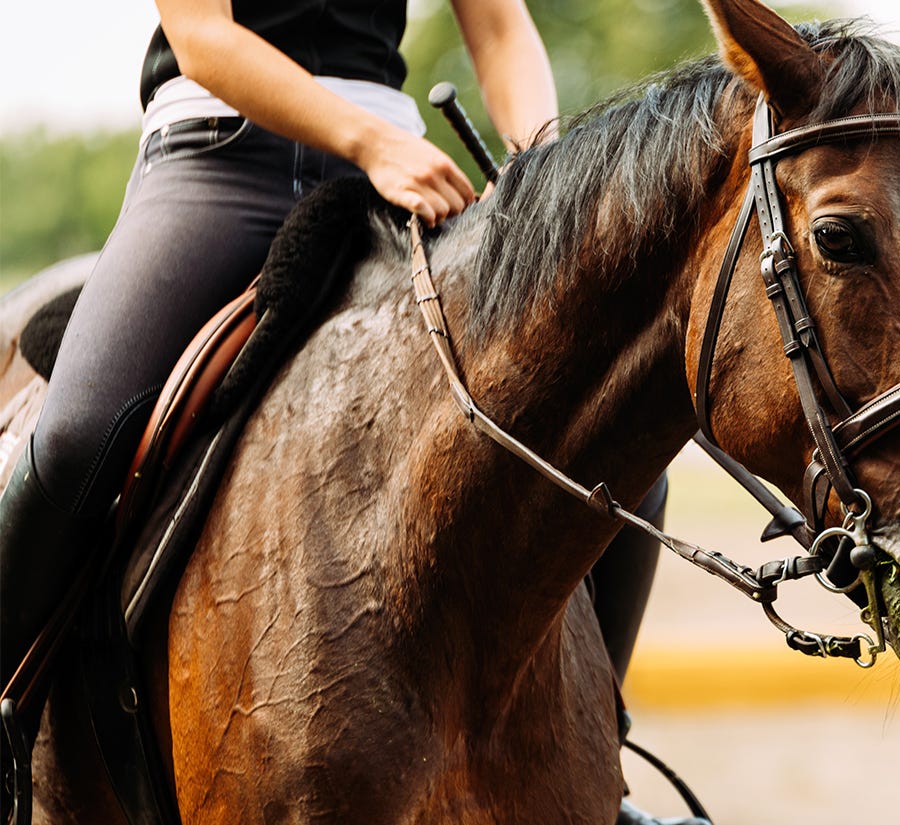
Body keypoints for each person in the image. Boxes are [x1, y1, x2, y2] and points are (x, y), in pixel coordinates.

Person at [1, 0, 567, 801]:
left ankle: (588, 762)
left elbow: (503, 31)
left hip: (397, 176)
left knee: (594, 430)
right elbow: (202, 38)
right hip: (222, 159)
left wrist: (541, 180)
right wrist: (370, 142)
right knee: (77, 435)